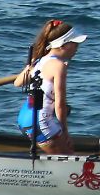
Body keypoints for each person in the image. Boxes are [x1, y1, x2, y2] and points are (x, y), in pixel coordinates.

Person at [13, 20, 84, 155]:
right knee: (69, 160)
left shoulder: (39, 60)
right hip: (41, 121)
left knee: (64, 155)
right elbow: (60, 105)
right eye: (74, 44)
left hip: (24, 118)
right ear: (63, 44)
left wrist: (29, 68)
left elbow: (17, 82)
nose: (77, 48)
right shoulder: (59, 66)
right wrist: (65, 132)